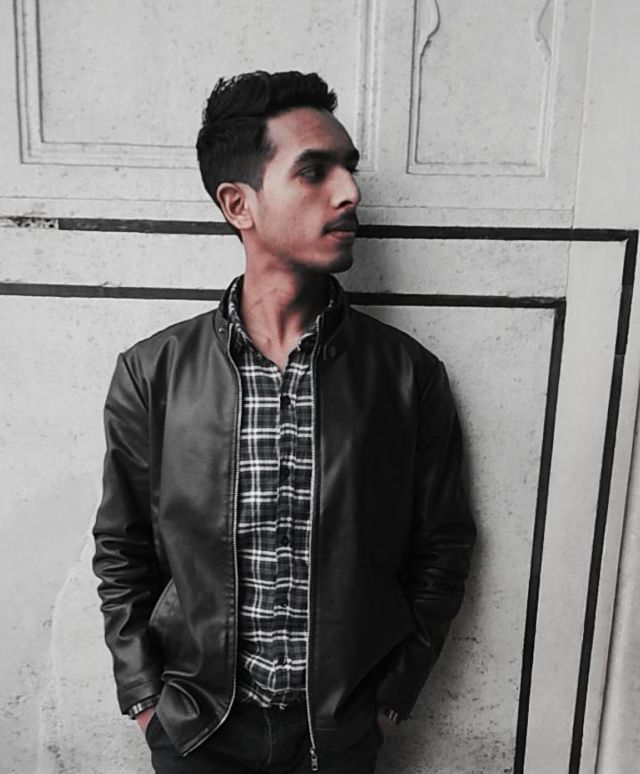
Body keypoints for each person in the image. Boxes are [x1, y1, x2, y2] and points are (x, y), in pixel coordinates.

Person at [92, 70, 476, 774]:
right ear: (238, 203)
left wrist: (393, 694)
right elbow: (123, 550)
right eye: (314, 171)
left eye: (349, 168)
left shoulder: (407, 376)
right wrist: (145, 695)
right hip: (196, 729)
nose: (349, 191)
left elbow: (443, 546)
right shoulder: (153, 373)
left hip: (337, 735)